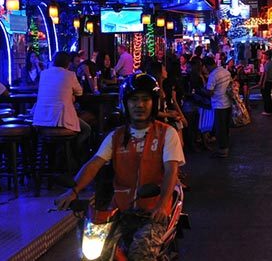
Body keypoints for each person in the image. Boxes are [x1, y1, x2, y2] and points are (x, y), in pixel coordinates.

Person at [54, 73, 185, 260]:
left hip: (153, 211)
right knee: (95, 250)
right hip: (120, 210)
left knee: (140, 253)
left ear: (154, 103)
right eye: (133, 100)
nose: (139, 105)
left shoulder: (167, 133)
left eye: (145, 100)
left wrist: (163, 204)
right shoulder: (116, 137)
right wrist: (74, 191)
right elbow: (94, 163)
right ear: (125, 103)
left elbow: (172, 169)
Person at [32, 51, 92, 168]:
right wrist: (70, 95)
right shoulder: (69, 75)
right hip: (60, 119)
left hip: (41, 121)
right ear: (68, 64)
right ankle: (72, 160)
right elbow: (79, 92)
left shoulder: (44, 74)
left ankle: (60, 159)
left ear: (53, 62)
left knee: (66, 134)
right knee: (86, 129)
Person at [198, 56, 232, 158]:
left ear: (206, 66)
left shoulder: (213, 75)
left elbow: (210, 92)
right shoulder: (225, 71)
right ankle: (225, 147)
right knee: (225, 127)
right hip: (228, 103)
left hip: (219, 105)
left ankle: (223, 150)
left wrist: (201, 89)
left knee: (220, 128)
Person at [259, 50, 272, 116]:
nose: (264, 56)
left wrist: (263, 83)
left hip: (267, 81)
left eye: (265, 55)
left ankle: (268, 110)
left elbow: (266, 74)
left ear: (268, 56)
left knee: (266, 96)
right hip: (270, 81)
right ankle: (270, 110)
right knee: (268, 96)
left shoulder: (268, 63)